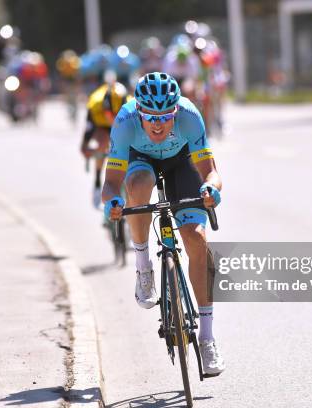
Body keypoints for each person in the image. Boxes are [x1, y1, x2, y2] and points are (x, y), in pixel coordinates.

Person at [101, 72, 225, 375]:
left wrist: (211, 190)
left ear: (175, 112)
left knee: (196, 239)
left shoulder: (190, 116)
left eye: (166, 117)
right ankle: (143, 267)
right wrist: (112, 203)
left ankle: (207, 339)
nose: (158, 124)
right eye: (150, 117)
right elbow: (111, 182)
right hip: (139, 160)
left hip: (181, 162)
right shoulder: (125, 122)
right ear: (139, 112)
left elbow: (211, 172)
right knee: (139, 184)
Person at [81, 78, 130, 208]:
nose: (113, 117)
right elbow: (89, 129)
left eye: (117, 113)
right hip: (101, 126)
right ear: (104, 108)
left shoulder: (132, 106)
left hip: (123, 125)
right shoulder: (95, 104)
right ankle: (97, 181)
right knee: (102, 144)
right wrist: (85, 146)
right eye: (110, 113)